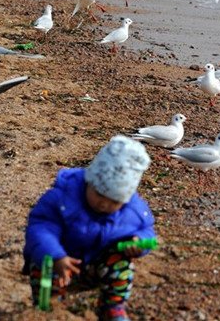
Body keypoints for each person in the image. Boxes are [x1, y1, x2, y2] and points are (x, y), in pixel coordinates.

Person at [23, 136, 155, 321]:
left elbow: (147, 232)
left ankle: (112, 306)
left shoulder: (133, 211)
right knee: (44, 262)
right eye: (99, 194)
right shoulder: (62, 198)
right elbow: (40, 229)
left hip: (98, 267)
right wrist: (56, 255)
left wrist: (140, 243)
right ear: (89, 181)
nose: (104, 204)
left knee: (122, 264)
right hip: (62, 263)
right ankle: (47, 306)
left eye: (114, 201)